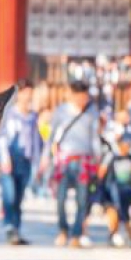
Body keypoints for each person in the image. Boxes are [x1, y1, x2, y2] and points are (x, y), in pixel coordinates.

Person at [48, 81, 104, 247]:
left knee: (82, 199)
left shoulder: (92, 112)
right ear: (72, 95)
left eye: (85, 96)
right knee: (60, 198)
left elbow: (95, 138)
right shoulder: (61, 111)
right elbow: (51, 137)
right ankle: (63, 230)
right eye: (79, 96)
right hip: (64, 160)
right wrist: (46, 158)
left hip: (85, 160)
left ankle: (76, 234)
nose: (82, 100)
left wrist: (98, 159)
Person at [0, 82, 43, 244]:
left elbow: (35, 141)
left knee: (19, 198)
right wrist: (4, 158)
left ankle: (16, 229)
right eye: (25, 93)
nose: (28, 97)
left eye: (30, 93)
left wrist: (37, 161)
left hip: (25, 160)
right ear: (19, 94)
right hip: (10, 159)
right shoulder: (9, 113)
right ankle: (9, 227)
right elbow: (2, 137)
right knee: (9, 195)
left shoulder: (33, 116)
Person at [100, 129, 131, 248]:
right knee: (116, 212)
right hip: (111, 189)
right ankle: (120, 235)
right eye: (125, 143)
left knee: (124, 212)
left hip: (127, 190)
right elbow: (102, 172)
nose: (127, 146)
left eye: (129, 144)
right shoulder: (111, 156)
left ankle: (121, 236)